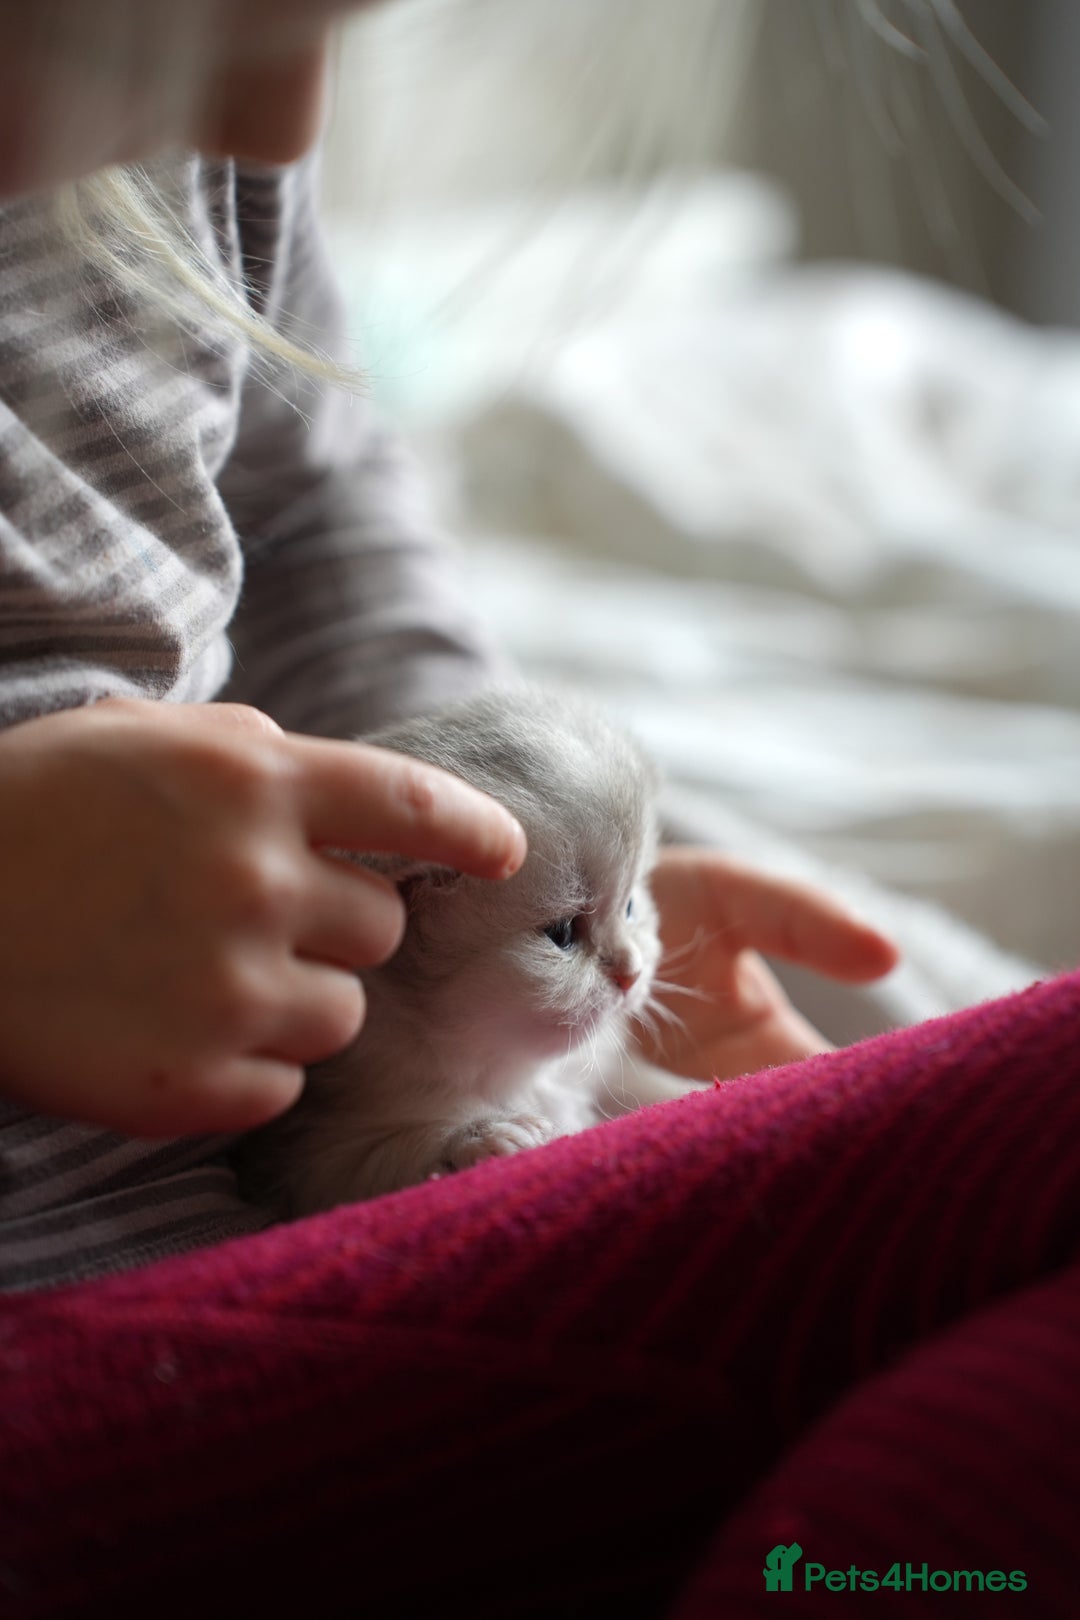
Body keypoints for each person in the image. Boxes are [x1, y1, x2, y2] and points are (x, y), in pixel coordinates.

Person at [1, 5, 1076, 1617]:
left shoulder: (203, 145)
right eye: (160, 16)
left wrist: (499, 825)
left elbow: (310, 518)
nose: (286, 126)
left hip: (299, 1271)